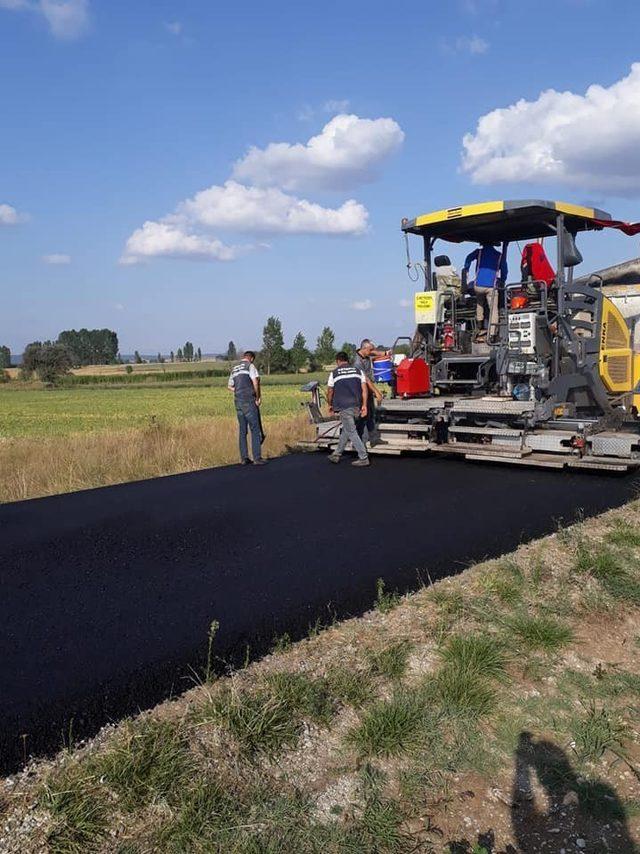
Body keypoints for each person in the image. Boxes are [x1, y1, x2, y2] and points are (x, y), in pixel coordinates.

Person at [326, 352, 370, 467]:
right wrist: (364, 405)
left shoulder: (334, 373)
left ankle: (363, 457)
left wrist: (330, 405)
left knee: (351, 431)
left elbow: (330, 391)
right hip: (357, 406)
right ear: (347, 360)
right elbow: (364, 390)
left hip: (344, 407)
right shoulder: (358, 371)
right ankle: (336, 454)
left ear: (337, 361)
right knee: (347, 429)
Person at [227, 350, 267, 465]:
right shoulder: (250, 366)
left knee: (243, 430)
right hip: (248, 401)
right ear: (252, 358)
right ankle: (257, 458)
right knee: (255, 429)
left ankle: (244, 458)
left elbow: (229, 386)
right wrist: (257, 397)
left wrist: (239, 390)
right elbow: (255, 382)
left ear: (243, 357)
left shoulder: (234, 368)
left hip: (238, 402)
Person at [463, 241, 509, 339]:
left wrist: (466, 268)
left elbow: (468, 258)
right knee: (493, 309)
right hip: (491, 286)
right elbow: (504, 270)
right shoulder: (499, 255)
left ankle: (479, 324)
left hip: (478, 285)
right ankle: (492, 333)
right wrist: (502, 280)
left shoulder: (478, 252)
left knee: (479, 303)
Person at [353, 339, 387, 446]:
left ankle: (374, 439)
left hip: (368, 390)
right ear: (364, 348)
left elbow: (373, 353)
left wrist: (385, 354)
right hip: (361, 391)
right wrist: (377, 392)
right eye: (370, 349)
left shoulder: (366, 354)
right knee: (363, 417)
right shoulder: (357, 362)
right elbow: (366, 380)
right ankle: (358, 443)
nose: (372, 351)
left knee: (372, 414)